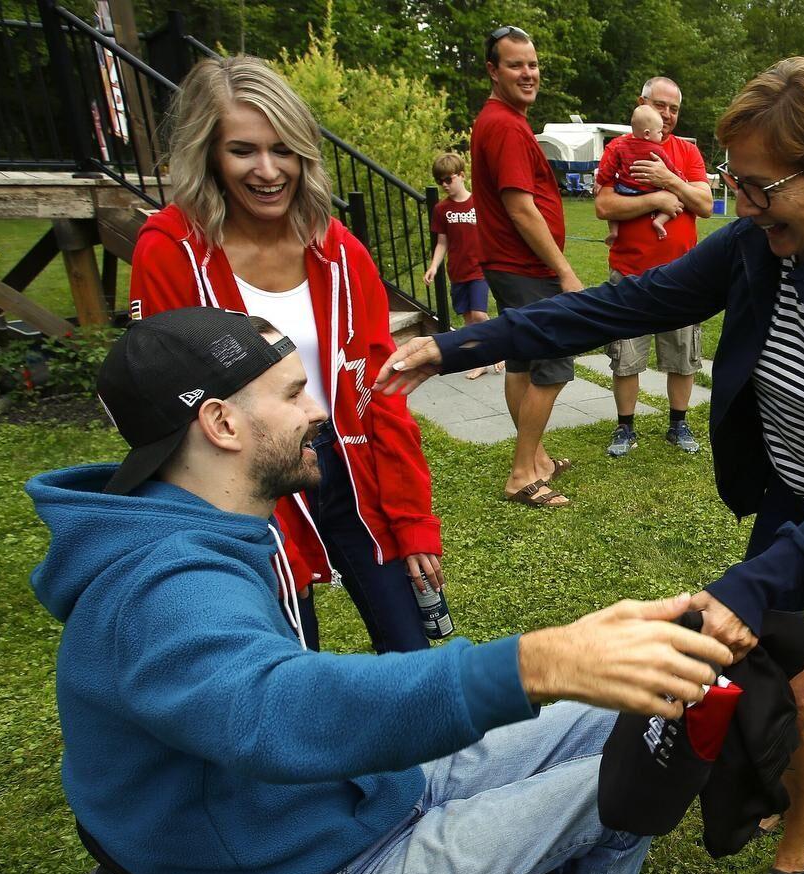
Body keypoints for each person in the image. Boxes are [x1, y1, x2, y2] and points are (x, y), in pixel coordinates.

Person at [379, 57, 804, 874]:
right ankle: (764, 779)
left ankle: (793, 860)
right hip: (792, 498)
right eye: (734, 182)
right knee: (759, 661)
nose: (740, 205)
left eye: (760, 187)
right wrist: (461, 346)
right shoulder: (752, 246)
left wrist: (757, 578)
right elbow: (624, 304)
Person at [30, 307, 733, 874]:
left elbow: (270, 700)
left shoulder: (180, 526)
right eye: (295, 392)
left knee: (625, 708)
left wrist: (570, 667)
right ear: (222, 424)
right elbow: (275, 709)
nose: (316, 411)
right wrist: (537, 662)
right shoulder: (164, 587)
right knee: (639, 771)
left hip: (341, 799)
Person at [129, 56, 439, 655]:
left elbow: (380, 390)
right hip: (240, 481)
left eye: (285, 149)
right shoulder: (170, 252)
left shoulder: (340, 250)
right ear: (209, 154)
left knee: (414, 649)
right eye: (243, 150)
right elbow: (165, 417)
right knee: (287, 663)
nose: (269, 170)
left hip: (345, 460)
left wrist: (412, 518)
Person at [470, 25, 581, 508]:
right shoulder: (507, 126)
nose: (528, 73)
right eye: (515, 64)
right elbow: (521, 207)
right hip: (525, 267)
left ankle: (536, 458)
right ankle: (522, 474)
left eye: (532, 64)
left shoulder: (501, 120)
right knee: (553, 365)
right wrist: (564, 271)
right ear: (493, 71)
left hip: (510, 265)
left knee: (522, 360)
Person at [593, 75, 712, 459]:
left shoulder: (687, 153)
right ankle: (625, 427)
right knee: (626, 357)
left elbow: (705, 205)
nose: (667, 114)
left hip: (681, 275)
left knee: (683, 355)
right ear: (642, 104)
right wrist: (657, 197)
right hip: (630, 274)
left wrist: (668, 179)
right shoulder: (621, 148)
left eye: (674, 108)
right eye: (661, 105)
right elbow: (605, 206)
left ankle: (678, 424)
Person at [423, 151, 503, 380]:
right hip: (457, 272)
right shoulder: (441, 209)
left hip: (479, 269)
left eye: (449, 179)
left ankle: (499, 348)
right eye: (440, 181)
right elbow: (442, 242)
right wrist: (433, 266)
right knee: (468, 320)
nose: (445, 185)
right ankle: (480, 361)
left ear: (461, 175)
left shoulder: (479, 203)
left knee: (479, 314)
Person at [602, 104, 678, 244]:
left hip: (624, 190)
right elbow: (670, 168)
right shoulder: (657, 149)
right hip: (648, 189)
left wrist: (600, 181)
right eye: (659, 132)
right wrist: (681, 179)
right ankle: (659, 222)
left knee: (613, 213)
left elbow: (609, 168)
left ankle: (613, 231)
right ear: (647, 134)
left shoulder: (620, 147)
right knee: (675, 199)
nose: (661, 135)